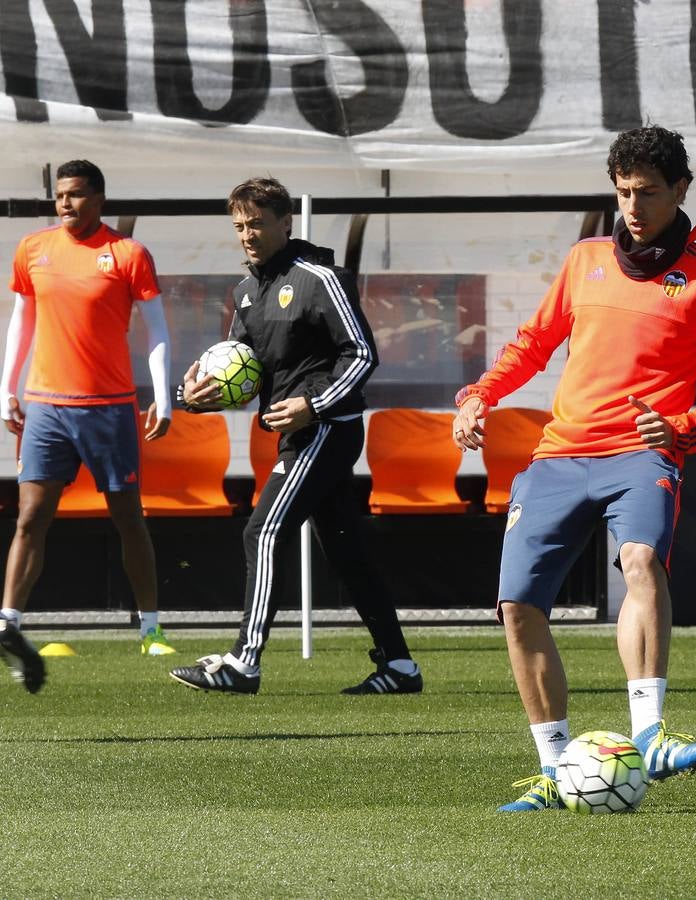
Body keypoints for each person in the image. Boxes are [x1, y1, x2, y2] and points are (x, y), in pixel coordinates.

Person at [453, 126, 696, 811]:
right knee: (517, 607)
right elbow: (533, 344)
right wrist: (478, 396)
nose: (634, 206)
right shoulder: (585, 258)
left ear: (681, 190)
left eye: (648, 192)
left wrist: (678, 428)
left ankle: (649, 734)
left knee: (641, 560)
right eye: (623, 192)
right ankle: (557, 772)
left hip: (642, 456)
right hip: (558, 457)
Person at [169, 177, 421, 695]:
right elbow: (242, 370)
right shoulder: (245, 292)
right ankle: (399, 667)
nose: (247, 234)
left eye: (257, 223)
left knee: (261, 531)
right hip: (296, 435)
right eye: (239, 225)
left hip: (328, 429)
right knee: (348, 551)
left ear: (286, 223)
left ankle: (243, 662)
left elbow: (362, 353)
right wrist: (193, 394)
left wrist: (315, 404)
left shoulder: (319, 277)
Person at [1, 159, 176, 668]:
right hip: (47, 408)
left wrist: (163, 398)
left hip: (110, 410)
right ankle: (8, 623)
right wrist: (7, 388)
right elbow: (21, 320)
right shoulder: (33, 249)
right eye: (60, 195)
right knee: (31, 517)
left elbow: (158, 332)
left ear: (99, 199)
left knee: (128, 519)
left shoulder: (128, 254)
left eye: (75, 194)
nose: (65, 204)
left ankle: (150, 628)